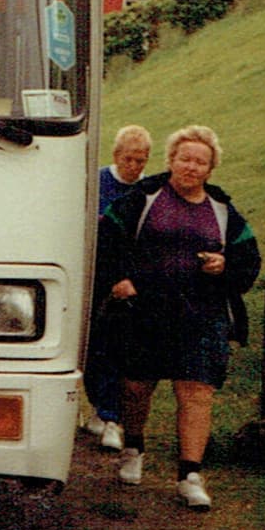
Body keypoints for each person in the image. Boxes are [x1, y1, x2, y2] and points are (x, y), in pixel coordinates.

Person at [97, 124, 261, 511]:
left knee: (197, 392)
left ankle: (190, 475)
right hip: (146, 311)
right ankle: (133, 447)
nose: (191, 166)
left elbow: (249, 259)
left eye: (200, 161)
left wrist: (226, 264)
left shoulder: (222, 210)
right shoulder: (143, 198)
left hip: (201, 315)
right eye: (185, 158)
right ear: (171, 160)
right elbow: (106, 238)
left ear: (210, 169)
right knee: (137, 386)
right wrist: (118, 279)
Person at [84, 125, 153, 451]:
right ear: (116, 156)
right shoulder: (97, 182)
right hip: (94, 273)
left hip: (127, 279)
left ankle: (113, 418)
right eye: (129, 159)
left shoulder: (149, 191)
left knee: (116, 346)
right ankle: (98, 406)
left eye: (141, 160)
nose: (135, 166)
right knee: (91, 346)